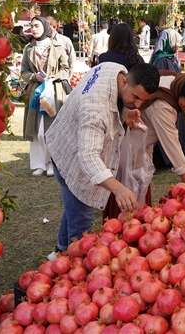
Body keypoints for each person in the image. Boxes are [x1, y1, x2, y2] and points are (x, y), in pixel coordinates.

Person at [46, 62, 160, 259]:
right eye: (135, 97)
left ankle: (61, 250)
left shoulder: (114, 68)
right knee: (82, 219)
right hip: (70, 156)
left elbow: (115, 104)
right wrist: (119, 188)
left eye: (143, 101)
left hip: (66, 140)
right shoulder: (95, 110)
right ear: (124, 81)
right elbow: (88, 158)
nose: (138, 104)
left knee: (73, 207)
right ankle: (75, 265)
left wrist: (126, 112)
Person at [103, 72, 185, 220]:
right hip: (128, 153)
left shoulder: (173, 80)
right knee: (127, 206)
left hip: (139, 149)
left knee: (136, 200)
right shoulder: (163, 107)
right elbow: (173, 148)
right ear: (181, 93)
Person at [21, 16, 71, 177]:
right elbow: (24, 72)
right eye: (31, 26)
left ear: (44, 26)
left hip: (54, 92)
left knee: (51, 128)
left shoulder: (57, 46)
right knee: (36, 129)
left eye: (36, 26)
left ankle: (52, 163)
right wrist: (36, 77)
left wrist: (56, 76)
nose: (33, 29)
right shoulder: (28, 49)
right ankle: (39, 164)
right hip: (36, 92)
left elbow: (66, 68)